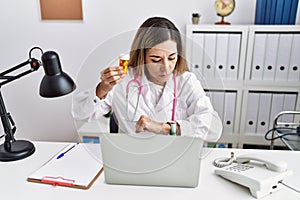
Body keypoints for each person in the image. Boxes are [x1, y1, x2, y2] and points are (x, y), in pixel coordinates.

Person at [72, 17, 222, 141]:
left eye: (171, 58)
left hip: (173, 158)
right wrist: (102, 89)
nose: (166, 67)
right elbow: (79, 114)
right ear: (141, 56)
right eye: (156, 59)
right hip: (131, 158)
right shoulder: (124, 80)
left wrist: (164, 127)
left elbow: (214, 127)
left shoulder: (186, 81)